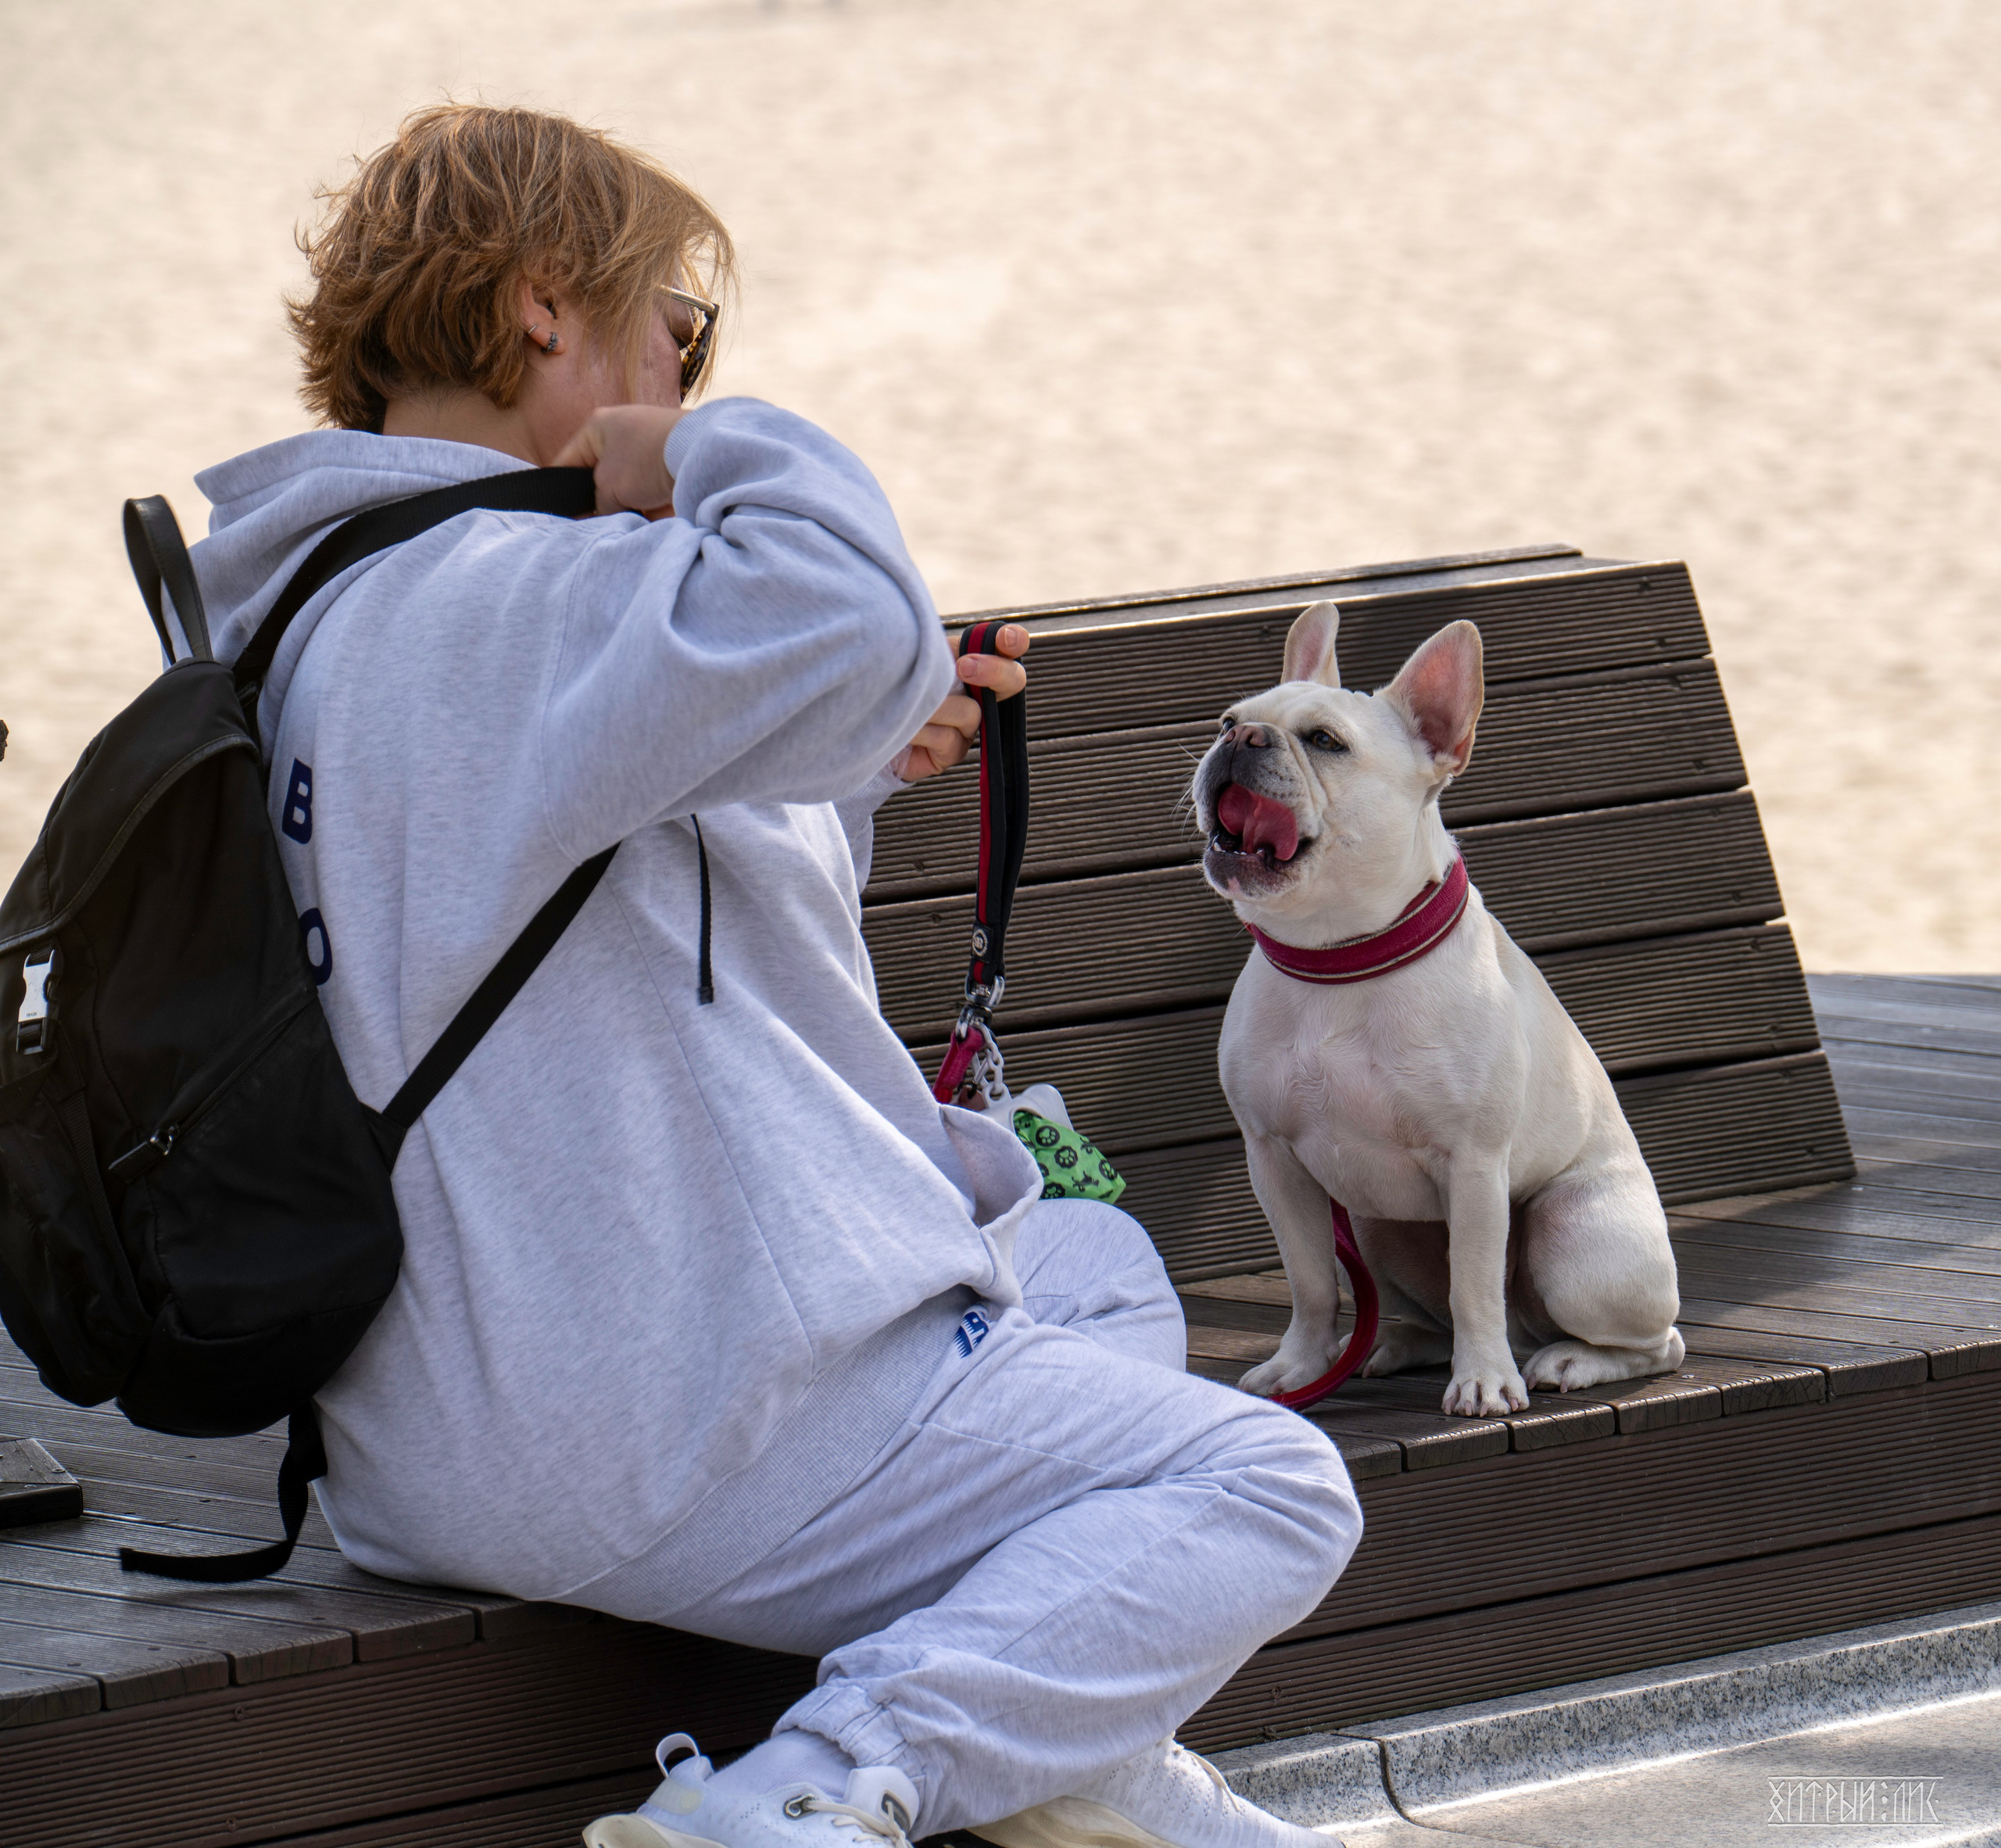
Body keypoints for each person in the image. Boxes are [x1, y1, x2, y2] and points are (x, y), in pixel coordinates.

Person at [182, 103, 1363, 1848]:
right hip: (663, 1416)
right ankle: (814, 1795)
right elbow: (852, 607)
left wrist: (841, 773)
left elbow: (614, 904)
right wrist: (707, 445)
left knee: (1093, 1262)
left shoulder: (309, 613)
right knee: (1259, 1484)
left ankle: (1075, 1764)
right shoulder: (529, 585)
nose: (687, 360)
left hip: (421, 1429)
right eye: (679, 323)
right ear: (538, 309)